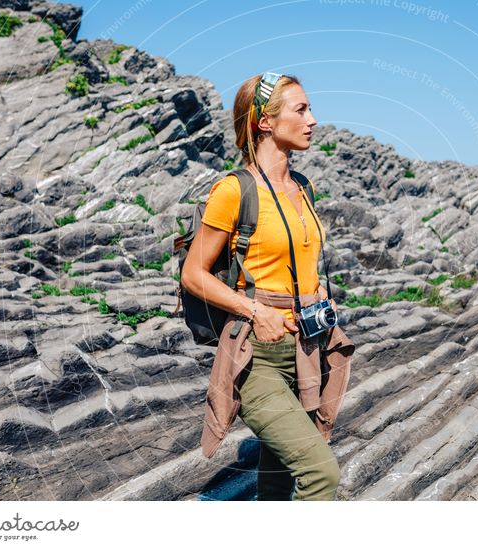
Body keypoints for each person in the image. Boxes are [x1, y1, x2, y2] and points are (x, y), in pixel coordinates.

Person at [182, 72, 350, 500]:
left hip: (308, 349)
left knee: (277, 482)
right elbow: (193, 273)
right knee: (320, 474)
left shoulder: (303, 187)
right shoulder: (234, 190)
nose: (313, 119)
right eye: (301, 109)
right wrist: (255, 310)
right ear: (265, 122)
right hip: (257, 356)